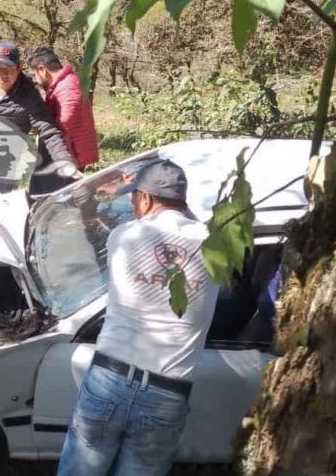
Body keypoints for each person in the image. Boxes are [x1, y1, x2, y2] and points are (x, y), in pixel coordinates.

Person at [57, 159, 219, 476]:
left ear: (144, 199)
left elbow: (100, 223)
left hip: (108, 378)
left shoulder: (123, 237)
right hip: (167, 393)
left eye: (133, 198)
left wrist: (108, 190)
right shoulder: (214, 247)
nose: (131, 205)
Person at [0, 41, 75, 181]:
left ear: (19, 68)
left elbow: (49, 133)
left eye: (10, 68)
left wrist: (65, 162)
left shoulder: (29, 95)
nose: (4, 74)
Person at [27, 47, 99, 171]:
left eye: (34, 75)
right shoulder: (62, 85)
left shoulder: (68, 87)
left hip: (69, 156)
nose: (35, 80)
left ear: (42, 69)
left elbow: (62, 127)